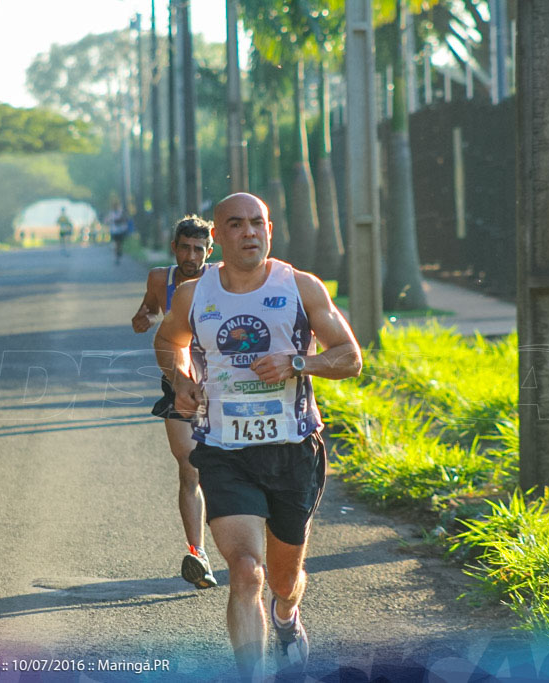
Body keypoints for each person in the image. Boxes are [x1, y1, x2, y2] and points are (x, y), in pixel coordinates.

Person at [154, 193, 362, 679]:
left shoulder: (301, 288)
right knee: (247, 572)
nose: (249, 232)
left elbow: (350, 357)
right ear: (218, 237)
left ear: (269, 230)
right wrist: (181, 380)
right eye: (236, 224)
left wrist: (298, 362)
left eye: (258, 223)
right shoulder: (194, 294)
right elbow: (169, 341)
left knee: (285, 580)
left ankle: (286, 616)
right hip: (225, 450)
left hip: (292, 450)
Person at [131, 215, 217, 589]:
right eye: (185, 248)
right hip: (179, 383)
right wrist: (145, 317)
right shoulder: (159, 279)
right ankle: (198, 554)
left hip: (222, 385)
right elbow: (150, 308)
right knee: (190, 467)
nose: (191, 256)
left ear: (209, 252)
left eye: (199, 249)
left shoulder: (222, 279)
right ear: (174, 248)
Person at [106, 200, 130, 265]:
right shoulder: (111, 213)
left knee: (120, 243)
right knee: (116, 243)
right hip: (114, 231)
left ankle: (119, 252)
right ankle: (117, 256)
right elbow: (107, 220)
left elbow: (126, 219)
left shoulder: (121, 212)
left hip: (121, 230)